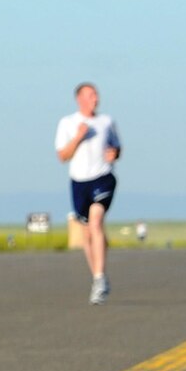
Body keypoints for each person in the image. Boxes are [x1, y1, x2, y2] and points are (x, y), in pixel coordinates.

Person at [54, 82, 121, 303]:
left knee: (96, 221)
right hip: (79, 182)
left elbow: (116, 148)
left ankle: (100, 277)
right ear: (80, 99)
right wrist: (78, 137)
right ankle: (97, 278)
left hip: (103, 178)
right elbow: (62, 156)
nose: (96, 98)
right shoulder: (67, 123)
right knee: (87, 235)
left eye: (96, 95)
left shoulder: (106, 122)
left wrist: (114, 154)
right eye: (91, 95)